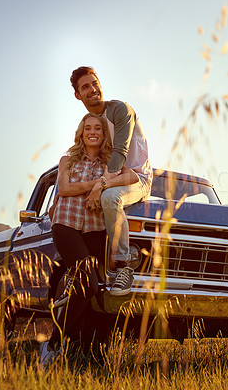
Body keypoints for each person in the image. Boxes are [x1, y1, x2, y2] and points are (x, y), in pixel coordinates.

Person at [41, 113, 138, 365]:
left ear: (104, 134)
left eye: (97, 128)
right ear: (81, 133)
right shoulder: (67, 160)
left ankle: (88, 351)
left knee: (95, 290)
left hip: (95, 229)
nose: (92, 132)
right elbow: (63, 189)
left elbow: (134, 178)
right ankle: (52, 344)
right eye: (87, 128)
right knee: (89, 284)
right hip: (66, 224)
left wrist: (103, 183)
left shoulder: (111, 162)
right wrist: (100, 184)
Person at [70, 66, 153, 296]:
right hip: (112, 176)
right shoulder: (92, 122)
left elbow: (119, 152)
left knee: (109, 197)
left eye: (94, 83)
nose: (93, 89)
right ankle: (81, 273)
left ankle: (123, 266)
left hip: (137, 178)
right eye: (85, 86)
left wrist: (99, 185)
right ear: (78, 95)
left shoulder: (120, 110)